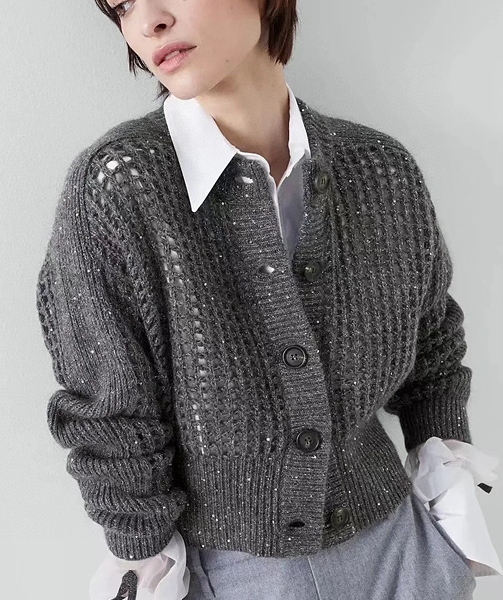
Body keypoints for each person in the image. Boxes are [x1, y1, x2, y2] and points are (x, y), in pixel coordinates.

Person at [35, 1, 501, 598]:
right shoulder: (118, 190)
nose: (147, 21)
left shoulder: (381, 170)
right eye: (122, 5)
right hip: (236, 572)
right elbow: (110, 414)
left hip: (404, 553)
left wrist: (452, 516)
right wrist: (142, 555)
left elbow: (432, 351)